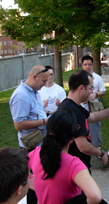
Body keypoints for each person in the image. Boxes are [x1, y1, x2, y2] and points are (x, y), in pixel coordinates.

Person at [28, 110, 106, 203]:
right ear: (72, 137)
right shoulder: (73, 165)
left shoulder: (36, 153)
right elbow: (95, 197)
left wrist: (36, 185)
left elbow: (21, 171)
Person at [57, 70, 109, 170]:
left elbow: (92, 117)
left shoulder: (71, 105)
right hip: (74, 167)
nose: (92, 92)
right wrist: (101, 153)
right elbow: (83, 146)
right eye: (91, 88)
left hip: (77, 165)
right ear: (81, 88)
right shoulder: (71, 110)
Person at [9, 65, 49, 203]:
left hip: (39, 144)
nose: (44, 85)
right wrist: (44, 121)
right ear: (34, 77)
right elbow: (18, 124)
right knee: (33, 183)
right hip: (31, 147)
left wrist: (48, 116)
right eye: (43, 81)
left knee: (38, 180)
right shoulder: (21, 95)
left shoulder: (33, 91)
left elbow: (34, 114)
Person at [81, 55, 106, 149]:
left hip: (93, 108)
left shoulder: (97, 78)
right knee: (81, 129)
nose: (87, 66)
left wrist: (95, 94)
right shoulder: (78, 77)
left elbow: (103, 91)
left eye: (89, 64)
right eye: (85, 64)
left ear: (93, 65)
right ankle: (84, 148)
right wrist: (81, 98)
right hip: (81, 108)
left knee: (95, 129)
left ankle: (97, 149)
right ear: (82, 65)